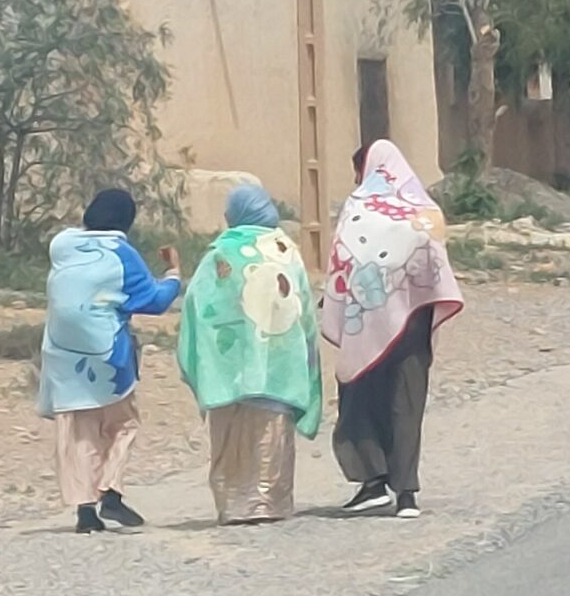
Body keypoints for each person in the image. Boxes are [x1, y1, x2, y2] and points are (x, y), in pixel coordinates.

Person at [323, 139, 464, 518]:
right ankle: (406, 494)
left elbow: (344, 258)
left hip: (366, 322)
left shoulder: (358, 207)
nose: (357, 180)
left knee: (359, 395)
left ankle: (372, 481)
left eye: (358, 171)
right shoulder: (425, 209)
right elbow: (434, 264)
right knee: (406, 402)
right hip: (414, 320)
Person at [37, 188, 182, 534]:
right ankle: (111, 490)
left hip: (62, 357)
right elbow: (153, 300)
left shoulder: (62, 245)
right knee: (123, 423)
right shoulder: (121, 254)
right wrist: (174, 273)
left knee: (81, 431)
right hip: (107, 357)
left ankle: (85, 510)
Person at [177, 185, 322, 525]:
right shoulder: (286, 251)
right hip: (277, 364)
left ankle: (232, 506)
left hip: (227, 369)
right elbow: (302, 307)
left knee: (229, 436)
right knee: (271, 433)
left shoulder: (219, 253)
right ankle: (267, 504)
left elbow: (196, 303)